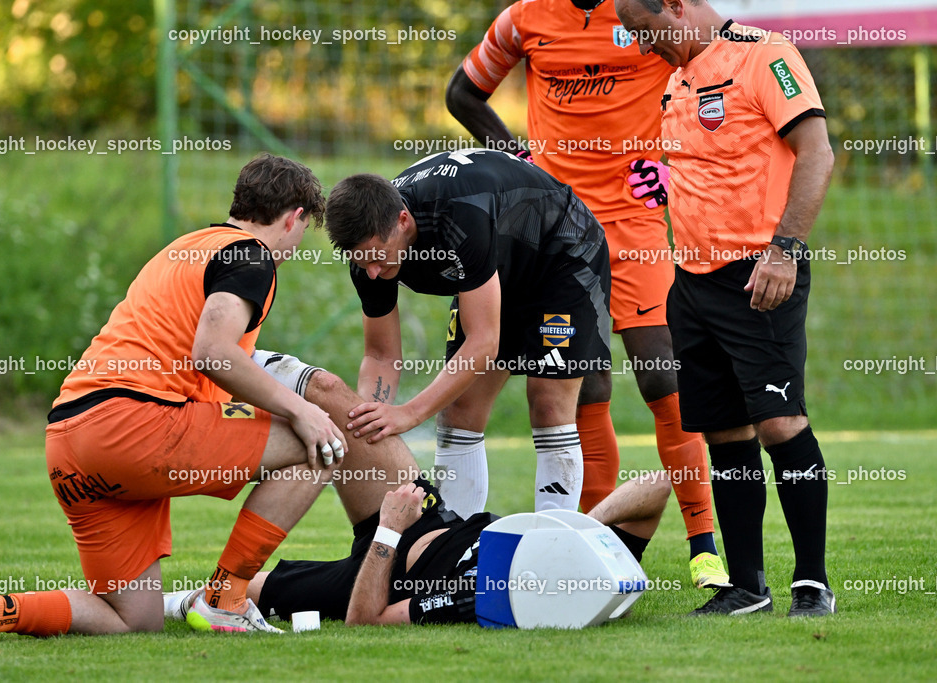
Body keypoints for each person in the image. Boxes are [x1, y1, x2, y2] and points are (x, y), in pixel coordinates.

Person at [0, 155, 422, 644]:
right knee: (320, 442)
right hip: (132, 424)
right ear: (293, 219)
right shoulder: (252, 256)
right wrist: (301, 410)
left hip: (70, 443)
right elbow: (213, 352)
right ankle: (224, 598)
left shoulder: (187, 247)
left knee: (135, 620)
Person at [445, 0, 726, 589]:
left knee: (663, 377)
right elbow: (462, 94)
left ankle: (704, 547)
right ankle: (590, 539)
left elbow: (715, 77)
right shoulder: (524, 17)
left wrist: (678, 162)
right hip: (556, 228)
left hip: (636, 223)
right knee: (584, 386)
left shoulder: (645, 9)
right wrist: (515, 155)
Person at [614, 0, 836, 616]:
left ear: (678, 6)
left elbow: (817, 154)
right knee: (723, 431)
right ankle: (746, 586)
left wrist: (785, 251)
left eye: (645, 29)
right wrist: (663, 181)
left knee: (779, 423)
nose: (640, 45)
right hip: (690, 280)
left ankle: (812, 583)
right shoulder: (676, 79)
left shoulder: (765, 55)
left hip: (759, 275)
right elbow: (718, 168)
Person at [325, 148, 613, 516]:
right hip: (496, 264)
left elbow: (483, 343)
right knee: (459, 408)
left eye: (378, 257)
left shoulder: (457, 216)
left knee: (548, 401)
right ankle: (452, 545)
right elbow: (381, 355)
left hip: (561, 254)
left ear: (402, 220)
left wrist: (410, 413)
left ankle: (554, 543)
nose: (372, 273)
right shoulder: (368, 257)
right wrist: (370, 418)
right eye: (360, 260)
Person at [165, 463, 673, 626]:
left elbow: (367, 619)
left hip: (380, 566)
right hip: (427, 515)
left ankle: (164, 604)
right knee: (343, 414)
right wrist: (580, 530)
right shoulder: (581, 557)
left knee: (238, 591)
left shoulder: (483, 598)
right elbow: (658, 483)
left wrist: (388, 530)